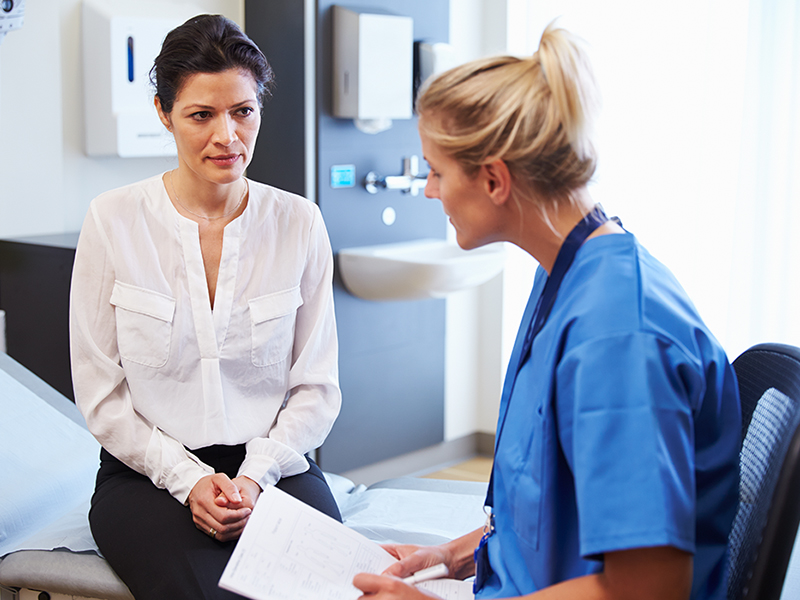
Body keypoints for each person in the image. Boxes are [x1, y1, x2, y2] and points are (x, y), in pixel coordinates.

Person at [353, 23, 741, 600]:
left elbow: (649, 588)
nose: (430, 191)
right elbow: (544, 497)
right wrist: (452, 555)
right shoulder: (569, 273)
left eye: (436, 171)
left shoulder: (618, 335)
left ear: (493, 180)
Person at [69, 14, 342, 599]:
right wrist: (188, 479)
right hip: (146, 472)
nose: (228, 136)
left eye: (243, 111)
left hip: (274, 466)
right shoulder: (112, 220)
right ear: (165, 114)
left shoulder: (299, 222)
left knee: (327, 589)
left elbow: (316, 386)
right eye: (202, 115)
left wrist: (255, 476)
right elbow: (100, 391)